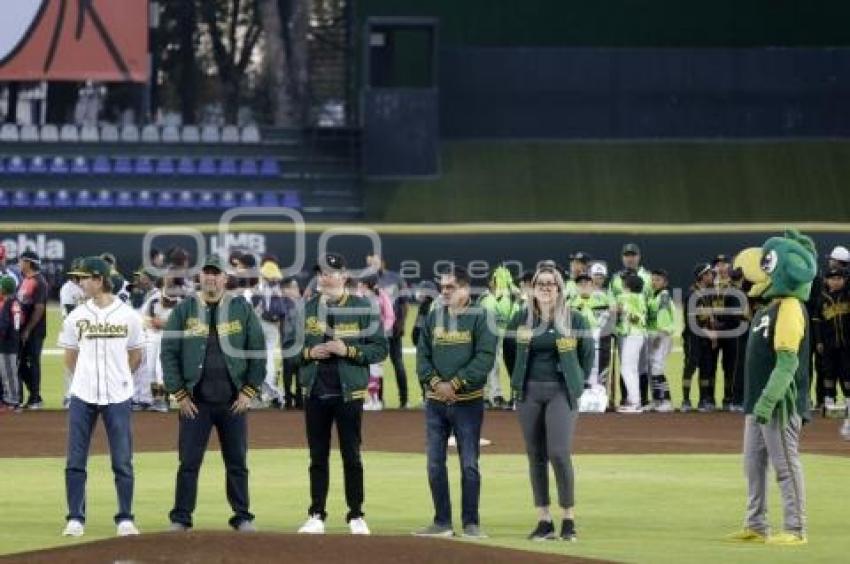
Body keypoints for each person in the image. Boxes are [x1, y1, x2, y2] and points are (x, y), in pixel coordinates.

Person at [161, 254, 266, 532]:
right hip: (196, 403)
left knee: (237, 463)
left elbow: (257, 350)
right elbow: (168, 352)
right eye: (206, 272)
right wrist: (180, 394)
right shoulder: (185, 309)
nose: (210, 277)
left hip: (234, 402)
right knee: (188, 463)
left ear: (225, 278)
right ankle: (181, 518)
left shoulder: (241, 308)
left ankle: (242, 516)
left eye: (215, 273)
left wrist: (249, 391)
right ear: (200, 277)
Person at [727, 231, 815, 546]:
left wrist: (768, 400)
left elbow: (788, 362)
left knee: (785, 466)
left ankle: (795, 529)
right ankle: (756, 523)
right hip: (757, 403)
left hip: (779, 403)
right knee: (753, 466)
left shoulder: (790, 306)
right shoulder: (767, 309)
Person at [294, 253, 388, 535]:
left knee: (352, 456)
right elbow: (290, 350)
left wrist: (348, 351)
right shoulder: (307, 308)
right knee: (317, 456)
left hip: (349, 393)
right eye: (320, 272)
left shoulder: (362, 307)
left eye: (330, 272)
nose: (324, 277)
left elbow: (379, 348)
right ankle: (316, 514)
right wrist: (311, 352)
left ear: (344, 276)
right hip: (315, 392)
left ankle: (356, 514)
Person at [57, 257, 145, 538]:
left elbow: (136, 354)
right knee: (75, 459)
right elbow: (70, 357)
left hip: (118, 394)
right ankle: (75, 517)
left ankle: (125, 518)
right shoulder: (76, 317)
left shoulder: (128, 315)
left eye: (84, 278)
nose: (80, 283)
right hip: (82, 395)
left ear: (99, 279)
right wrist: (85, 376)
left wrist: (121, 376)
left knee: (122, 459)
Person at [507, 265, 593, 541]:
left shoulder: (575, 320)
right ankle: (544, 520)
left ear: (559, 288)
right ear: (532, 288)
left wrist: (575, 383)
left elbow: (587, 356)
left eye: (551, 283)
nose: (546, 288)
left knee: (559, 452)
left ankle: (568, 518)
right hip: (529, 392)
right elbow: (510, 355)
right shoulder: (520, 319)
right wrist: (520, 381)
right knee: (535, 455)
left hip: (561, 391)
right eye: (540, 283)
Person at [414, 266, 497, 539]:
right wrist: (437, 383)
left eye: (450, 287)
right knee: (434, 464)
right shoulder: (433, 316)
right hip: (436, 403)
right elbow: (422, 355)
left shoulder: (481, 317)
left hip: (468, 403)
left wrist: (456, 384)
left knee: (469, 464)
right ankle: (442, 522)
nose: (444, 291)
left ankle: (471, 523)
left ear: (464, 288)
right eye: (443, 287)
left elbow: (485, 357)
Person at [366, 254, 410, 408]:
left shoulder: (396, 278)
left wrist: (402, 324)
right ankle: (379, 399)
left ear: (382, 262)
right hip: (375, 332)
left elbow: (404, 304)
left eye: (374, 262)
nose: (372, 265)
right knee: (376, 364)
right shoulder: (367, 281)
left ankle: (404, 400)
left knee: (397, 363)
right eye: (369, 263)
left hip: (394, 329)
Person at [478, 265, 521, 409]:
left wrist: (515, 298)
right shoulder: (486, 298)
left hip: (509, 338)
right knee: (492, 366)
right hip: (490, 337)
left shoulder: (511, 298)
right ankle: (494, 396)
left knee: (514, 367)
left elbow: (517, 316)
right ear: (491, 282)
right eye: (497, 280)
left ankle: (515, 396)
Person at [811, 267, 850, 412]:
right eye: (832, 279)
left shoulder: (847, 295)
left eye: (839, 279)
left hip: (846, 344)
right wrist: (819, 341)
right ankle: (829, 401)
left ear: (844, 280)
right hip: (828, 344)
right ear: (826, 281)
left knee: (847, 372)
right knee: (829, 372)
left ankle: (848, 401)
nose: (836, 281)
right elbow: (816, 322)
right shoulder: (822, 299)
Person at [681, 263, 717, 412]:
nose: (712, 276)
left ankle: (703, 399)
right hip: (693, 338)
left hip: (705, 338)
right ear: (702, 277)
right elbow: (691, 322)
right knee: (691, 366)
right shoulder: (692, 295)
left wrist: (713, 336)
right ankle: (686, 400)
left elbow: (709, 317)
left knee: (705, 367)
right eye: (709, 274)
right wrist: (708, 333)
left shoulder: (707, 294)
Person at [356, 274, 395, 411]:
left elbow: (390, 315)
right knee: (362, 368)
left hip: (377, 338)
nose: (359, 285)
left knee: (375, 369)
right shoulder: (358, 296)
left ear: (367, 284)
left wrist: (382, 331)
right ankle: (367, 399)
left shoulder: (382, 296)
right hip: (362, 337)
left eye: (361, 283)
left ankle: (375, 399)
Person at [17, 250, 48, 409]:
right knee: (21, 363)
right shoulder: (25, 280)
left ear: (28, 263)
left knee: (32, 362)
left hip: (34, 330)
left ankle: (35, 398)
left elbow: (39, 308)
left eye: (21, 260)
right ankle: (34, 395)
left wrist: (28, 329)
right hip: (23, 328)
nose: (18, 263)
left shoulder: (39, 282)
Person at [615, 273, 647, 413]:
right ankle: (634, 400)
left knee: (626, 369)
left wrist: (621, 310)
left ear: (627, 286)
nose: (622, 285)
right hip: (638, 335)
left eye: (624, 283)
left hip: (632, 335)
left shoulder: (625, 297)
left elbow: (633, 317)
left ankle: (634, 402)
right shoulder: (641, 297)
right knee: (632, 369)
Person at [647, 269, 676, 412]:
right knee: (653, 368)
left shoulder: (663, 296)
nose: (654, 282)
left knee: (657, 367)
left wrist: (659, 336)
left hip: (662, 335)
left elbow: (663, 318)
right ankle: (657, 400)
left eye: (658, 280)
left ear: (665, 282)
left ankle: (666, 400)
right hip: (656, 335)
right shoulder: (655, 296)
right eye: (653, 279)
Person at [59, 258, 86, 408]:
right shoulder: (67, 288)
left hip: (87, 333)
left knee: (86, 366)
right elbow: (69, 313)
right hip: (71, 332)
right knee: (70, 365)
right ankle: (69, 396)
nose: (78, 276)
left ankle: (83, 397)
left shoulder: (88, 287)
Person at [0, 275, 23, 412]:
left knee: (8, 373)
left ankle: (13, 401)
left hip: (6, 343)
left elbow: (4, 324)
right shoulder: (16, 302)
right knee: (8, 373)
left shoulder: (8, 303)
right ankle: (11, 399)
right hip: (13, 341)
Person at [280, 276, 304, 409]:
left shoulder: (302, 302)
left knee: (301, 372)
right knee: (288, 373)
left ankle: (300, 400)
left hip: (300, 342)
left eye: (296, 287)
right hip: (288, 342)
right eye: (292, 287)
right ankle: (288, 399)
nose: (296, 290)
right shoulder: (282, 303)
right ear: (285, 290)